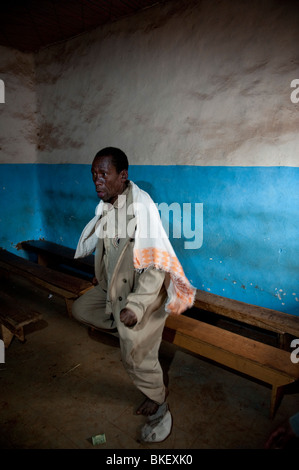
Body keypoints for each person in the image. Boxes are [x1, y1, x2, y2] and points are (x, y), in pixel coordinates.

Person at [72, 147, 195, 443]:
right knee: (81, 309)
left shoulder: (142, 209)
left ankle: (160, 405)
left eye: (104, 174)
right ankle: (129, 334)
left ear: (123, 176)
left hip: (142, 296)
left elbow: (155, 268)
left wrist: (137, 307)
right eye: (93, 174)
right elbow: (108, 248)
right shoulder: (108, 206)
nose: (96, 180)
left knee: (136, 357)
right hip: (114, 289)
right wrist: (101, 276)